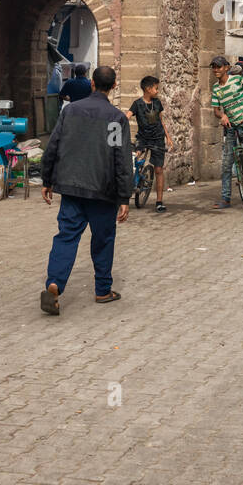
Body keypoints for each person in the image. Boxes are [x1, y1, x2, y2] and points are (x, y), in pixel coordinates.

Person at [39, 65, 133, 314]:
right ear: (113, 86)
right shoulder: (115, 118)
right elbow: (120, 159)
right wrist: (124, 196)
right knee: (103, 240)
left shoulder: (71, 111)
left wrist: (47, 179)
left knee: (66, 236)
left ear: (92, 83)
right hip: (103, 189)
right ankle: (103, 290)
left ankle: (55, 282)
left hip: (71, 186)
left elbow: (54, 145)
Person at [210, 55, 243, 210]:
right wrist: (222, 115)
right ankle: (225, 198)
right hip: (231, 128)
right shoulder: (216, 88)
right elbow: (215, 110)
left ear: (226, 67)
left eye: (219, 67)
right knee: (226, 165)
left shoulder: (238, 80)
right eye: (213, 67)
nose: (216, 70)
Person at [127, 75, 174, 212]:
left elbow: (161, 121)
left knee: (159, 169)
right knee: (134, 158)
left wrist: (168, 137)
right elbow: (127, 116)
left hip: (158, 138)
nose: (157, 91)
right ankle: (135, 181)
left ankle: (159, 201)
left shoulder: (157, 103)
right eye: (156, 88)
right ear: (148, 89)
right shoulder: (137, 104)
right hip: (143, 138)